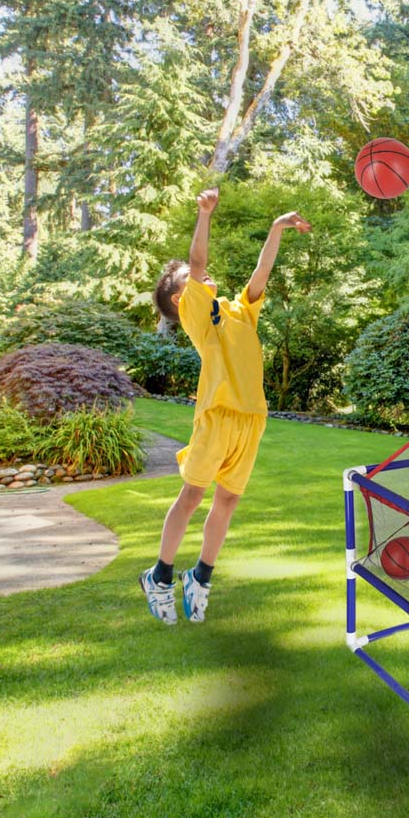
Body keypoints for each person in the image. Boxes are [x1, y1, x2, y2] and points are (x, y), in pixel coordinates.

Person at [141, 187, 311, 624]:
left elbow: (261, 273)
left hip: (251, 417)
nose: (202, 275)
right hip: (217, 415)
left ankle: (200, 577)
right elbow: (197, 262)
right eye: (189, 279)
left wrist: (277, 228)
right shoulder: (196, 313)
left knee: (229, 500)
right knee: (193, 495)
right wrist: (204, 214)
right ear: (180, 298)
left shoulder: (237, 310)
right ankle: (160, 576)